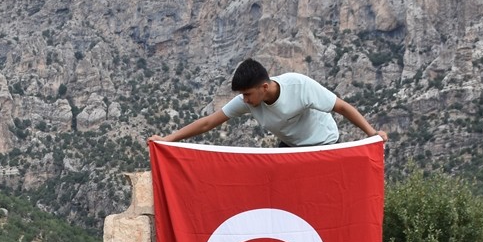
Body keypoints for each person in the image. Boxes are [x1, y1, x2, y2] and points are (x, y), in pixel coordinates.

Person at [150, 58, 387, 147]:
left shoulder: (299, 86)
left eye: (247, 95)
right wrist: (168, 140)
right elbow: (208, 122)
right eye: (242, 96)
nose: (244, 100)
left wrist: (371, 133)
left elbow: (342, 107)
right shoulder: (250, 100)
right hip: (291, 146)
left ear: (264, 87)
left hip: (323, 143)